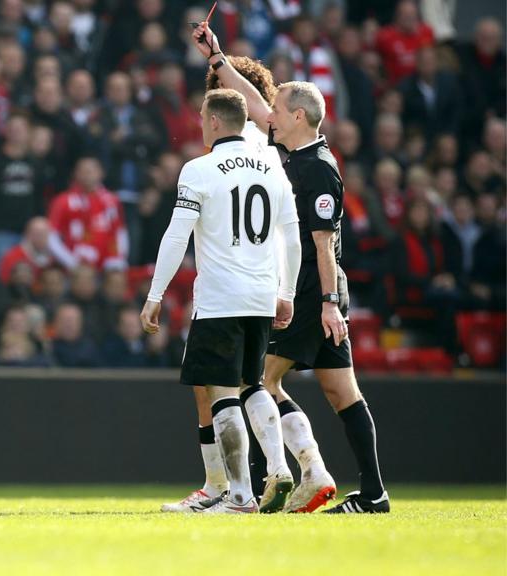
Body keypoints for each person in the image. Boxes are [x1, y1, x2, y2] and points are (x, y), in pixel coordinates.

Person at [197, 23, 391, 513]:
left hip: (311, 290)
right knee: (340, 390)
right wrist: (219, 59)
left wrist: (328, 305)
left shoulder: (318, 168)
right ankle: (372, 493)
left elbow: (324, 245)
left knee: (256, 380)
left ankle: (303, 473)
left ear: (299, 116)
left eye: (278, 112)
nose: (268, 118)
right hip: (317, 291)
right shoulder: (293, 151)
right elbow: (256, 105)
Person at [140, 88, 301, 514]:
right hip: (263, 295)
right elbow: (292, 236)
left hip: (221, 297)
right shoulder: (273, 166)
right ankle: (278, 467)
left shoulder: (199, 169)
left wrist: (155, 294)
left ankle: (241, 495)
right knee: (254, 384)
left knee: (222, 392)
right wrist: (286, 293)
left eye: (201, 118)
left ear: (213, 122)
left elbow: (177, 236)